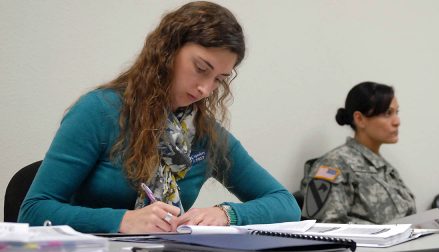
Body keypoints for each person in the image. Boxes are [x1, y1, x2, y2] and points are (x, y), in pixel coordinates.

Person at [19, 1, 300, 234]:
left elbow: (285, 203)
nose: (205, 89)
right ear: (167, 51)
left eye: (219, 79)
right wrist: (123, 220)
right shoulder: (100, 111)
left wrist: (226, 214)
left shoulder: (203, 134)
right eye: (201, 68)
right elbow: (33, 210)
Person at [301, 81, 416, 223]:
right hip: (368, 246)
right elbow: (327, 227)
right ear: (360, 119)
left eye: (396, 112)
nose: (397, 121)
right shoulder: (333, 165)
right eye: (387, 113)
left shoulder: (383, 167)